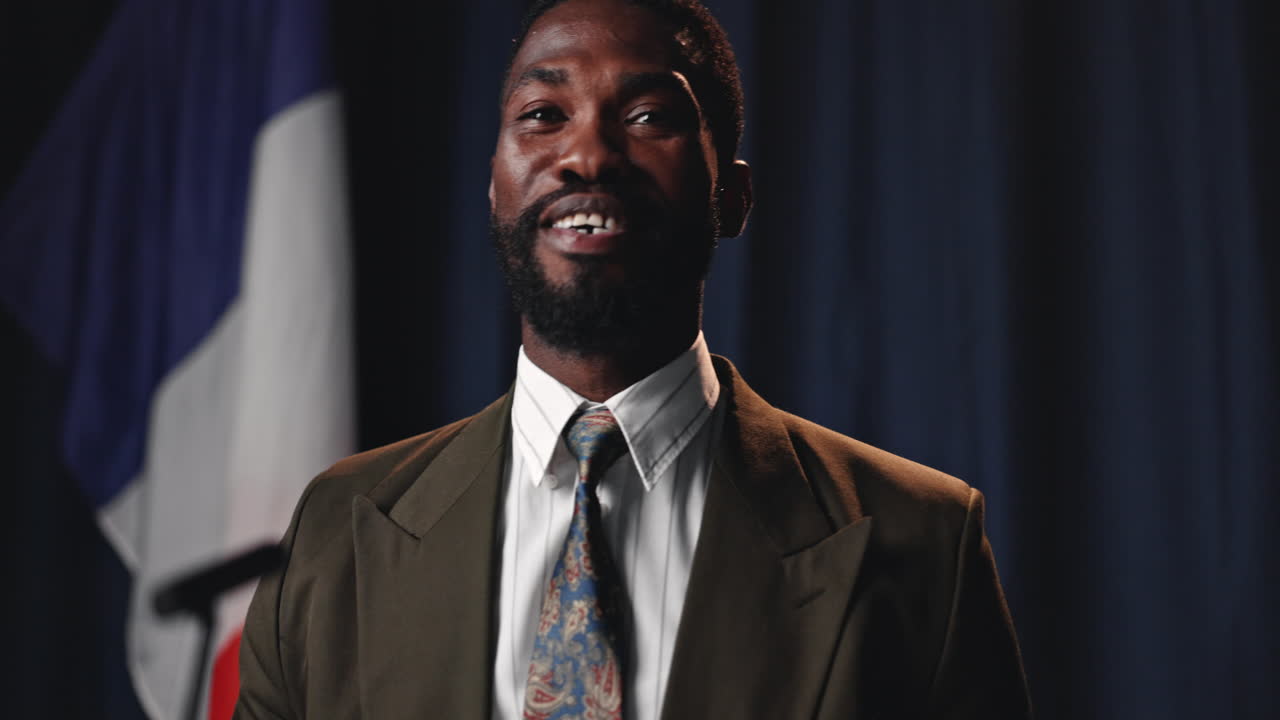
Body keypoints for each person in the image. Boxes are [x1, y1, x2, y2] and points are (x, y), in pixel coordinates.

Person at [234, 0, 1032, 717]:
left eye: (648, 116)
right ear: (494, 189)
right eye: (544, 114)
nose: (587, 155)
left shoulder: (920, 540)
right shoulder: (335, 531)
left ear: (732, 197)